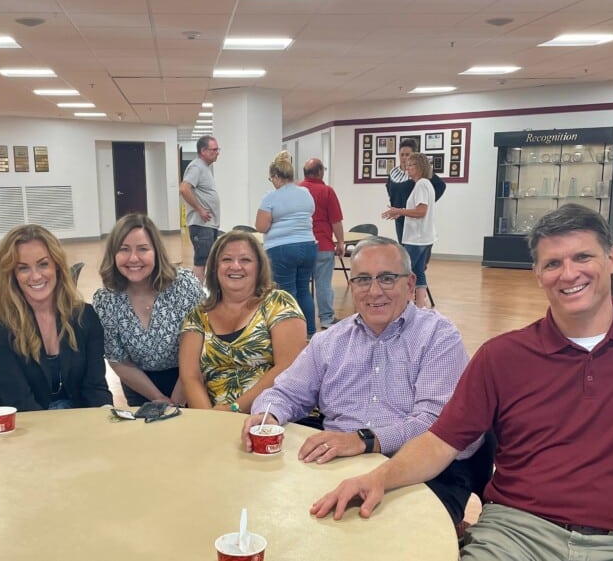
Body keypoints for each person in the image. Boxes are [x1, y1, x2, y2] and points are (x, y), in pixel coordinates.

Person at [312, 204, 613, 561]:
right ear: (537, 274)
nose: (569, 274)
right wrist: (379, 477)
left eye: (583, 256)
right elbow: (440, 443)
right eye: (553, 263)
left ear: (612, 258)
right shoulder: (502, 356)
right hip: (511, 536)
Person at [242, 236, 481, 524]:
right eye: (363, 280)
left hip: (423, 471)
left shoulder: (438, 337)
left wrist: (364, 440)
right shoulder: (329, 341)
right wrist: (267, 415)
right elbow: (285, 393)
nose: (374, 291)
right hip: (339, 464)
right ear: (351, 285)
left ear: (409, 283)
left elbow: (434, 425)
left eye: (387, 278)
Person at [0, 224, 112, 411]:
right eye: (23, 268)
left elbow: (95, 387)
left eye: (43, 264)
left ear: (56, 266)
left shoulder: (85, 317)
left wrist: (106, 416)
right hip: (27, 427)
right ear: (12, 275)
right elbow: (20, 402)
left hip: (78, 423)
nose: (35, 276)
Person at [179, 230, 306, 413]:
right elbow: (190, 377)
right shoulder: (198, 315)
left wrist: (235, 409)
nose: (235, 266)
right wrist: (208, 418)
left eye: (245, 260)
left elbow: (287, 367)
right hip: (214, 418)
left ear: (259, 267)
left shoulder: (279, 303)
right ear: (215, 267)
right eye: (226, 260)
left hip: (271, 416)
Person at [92, 213, 202, 406]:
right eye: (124, 249)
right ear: (113, 254)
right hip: (140, 385)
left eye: (143, 249)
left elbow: (202, 344)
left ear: (156, 252)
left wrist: (177, 399)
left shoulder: (184, 284)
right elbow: (118, 360)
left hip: (190, 377)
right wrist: (158, 399)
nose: (133, 258)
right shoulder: (106, 300)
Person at [256, 151, 318, 336]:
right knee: (304, 290)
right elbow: (310, 213)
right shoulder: (306, 193)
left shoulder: (270, 198)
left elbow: (261, 226)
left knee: (286, 293)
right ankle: (309, 332)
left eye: (271, 178)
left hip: (282, 250)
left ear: (276, 176)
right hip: (308, 246)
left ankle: (291, 335)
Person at [382, 152, 435, 308]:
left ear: (419, 167)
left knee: (404, 272)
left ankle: (405, 305)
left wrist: (400, 210)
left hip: (416, 238)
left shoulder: (421, 185)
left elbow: (421, 211)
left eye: (411, 165)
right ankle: (420, 306)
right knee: (418, 272)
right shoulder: (424, 184)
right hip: (422, 237)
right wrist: (399, 212)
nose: (407, 167)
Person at [297, 158, 345, 330]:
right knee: (323, 284)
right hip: (323, 246)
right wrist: (340, 242)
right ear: (319, 172)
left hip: (301, 246)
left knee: (301, 286)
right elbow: (336, 221)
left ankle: (298, 319)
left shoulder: (297, 190)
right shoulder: (327, 191)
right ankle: (326, 318)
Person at [386, 138, 446, 243]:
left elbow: (440, 186)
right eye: (402, 154)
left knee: (414, 249)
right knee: (403, 249)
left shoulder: (420, 174)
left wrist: (426, 203)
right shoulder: (393, 173)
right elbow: (390, 189)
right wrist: (395, 208)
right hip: (400, 218)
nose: (404, 158)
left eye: (407, 155)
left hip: (415, 218)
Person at [179, 135, 221, 283]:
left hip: (208, 225)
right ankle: (197, 299)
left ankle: (204, 295)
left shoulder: (205, 168)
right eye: (214, 149)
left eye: (218, 149)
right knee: (200, 263)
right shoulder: (196, 166)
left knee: (205, 262)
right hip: (201, 224)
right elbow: (184, 189)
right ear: (203, 150)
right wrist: (200, 209)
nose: (217, 152)